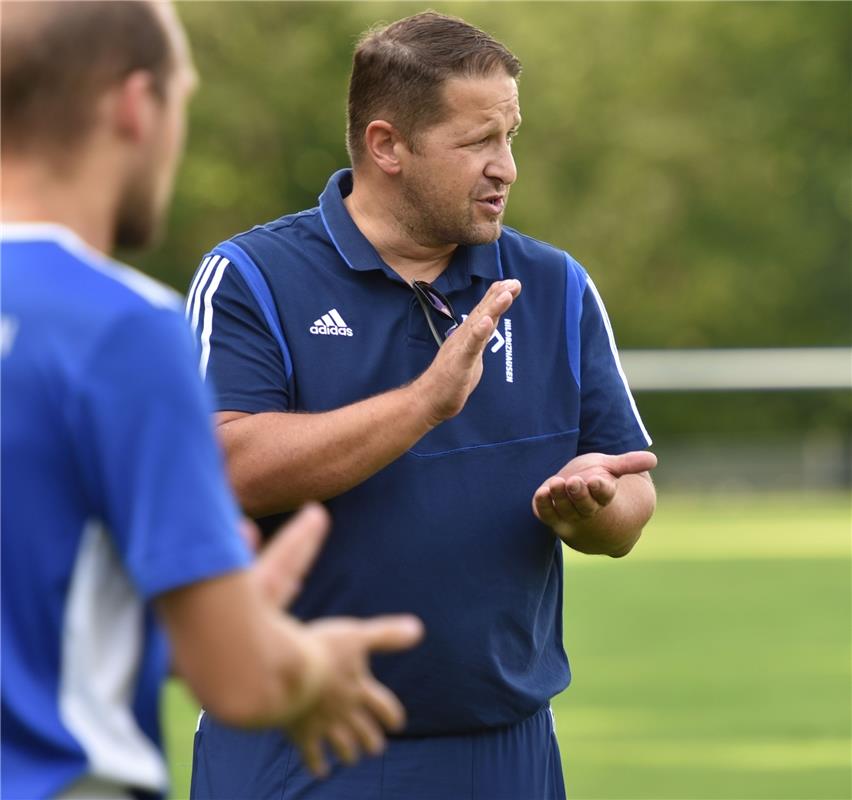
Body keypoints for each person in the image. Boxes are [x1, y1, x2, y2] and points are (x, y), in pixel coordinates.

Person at [187, 10, 657, 800]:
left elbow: (632, 489)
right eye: (478, 142)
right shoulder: (251, 278)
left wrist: (594, 511)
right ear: (386, 146)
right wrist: (423, 404)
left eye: (510, 137)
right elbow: (221, 468)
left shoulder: (554, 285)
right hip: (299, 740)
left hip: (506, 750)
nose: (505, 168)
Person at [0, 3, 424, 798]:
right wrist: (300, 663)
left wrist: (182, 624)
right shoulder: (119, 327)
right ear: (135, 105)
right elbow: (239, 682)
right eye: (181, 99)